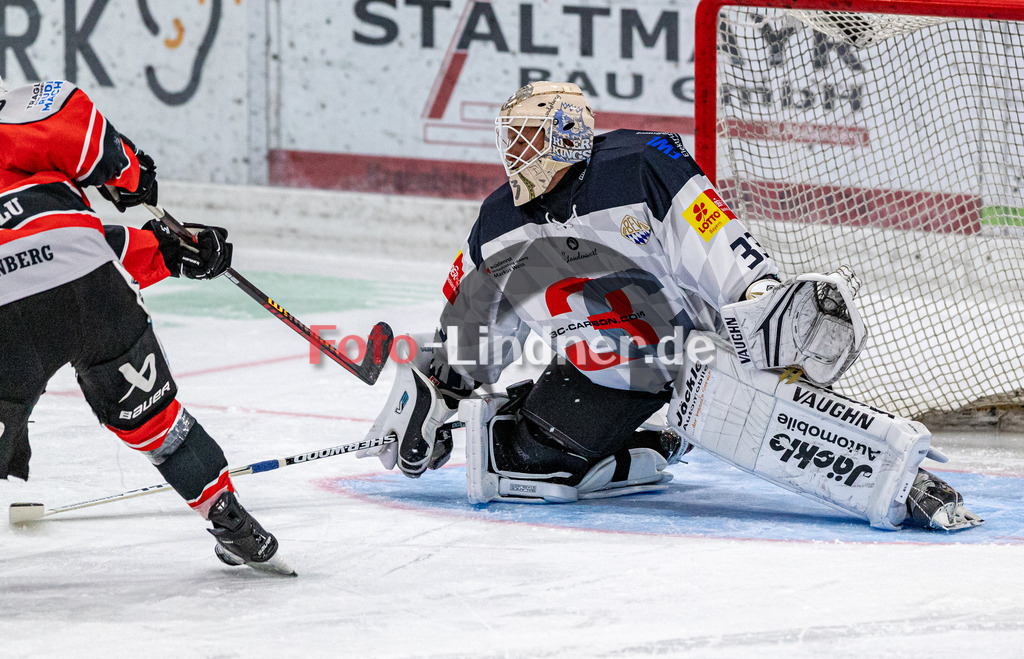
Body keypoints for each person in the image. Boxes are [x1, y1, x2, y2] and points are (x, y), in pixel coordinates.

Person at [362, 80, 981, 532]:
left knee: (757, 409)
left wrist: (760, 298)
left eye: (529, 139)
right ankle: (653, 441)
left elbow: (714, 239)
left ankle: (898, 476)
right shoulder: (497, 223)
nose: (516, 154)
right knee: (514, 460)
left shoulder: (641, 166)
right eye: (510, 140)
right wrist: (433, 398)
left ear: (569, 134)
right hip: (602, 371)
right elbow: (472, 330)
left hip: (693, 352)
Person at [0, 77, 293, 573]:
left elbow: (33, 244)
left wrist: (166, 248)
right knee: (158, 422)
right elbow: (78, 226)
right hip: (88, 277)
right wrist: (138, 185)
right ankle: (231, 519)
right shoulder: (20, 109)